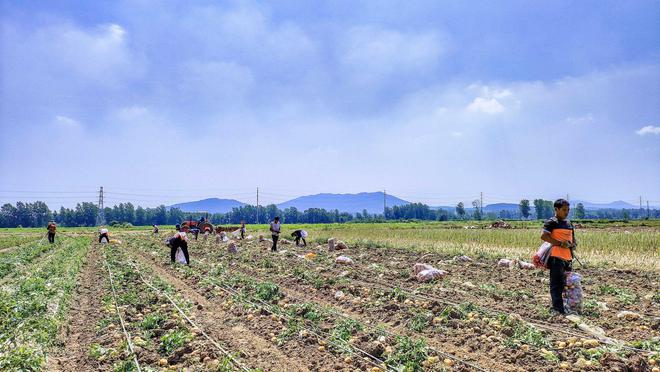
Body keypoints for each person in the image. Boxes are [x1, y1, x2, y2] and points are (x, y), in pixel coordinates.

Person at [541, 199, 577, 315]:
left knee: (567, 284)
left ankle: (568, 307)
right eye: (564, 210)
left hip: (568, 258)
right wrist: (561, 243)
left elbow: (572, 238)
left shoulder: (568, 223)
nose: (566, 212)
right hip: (556, 257)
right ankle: (557, 309)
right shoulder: (551, 222)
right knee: (556, 285)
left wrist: (573, 244)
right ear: (556, 209)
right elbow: (544, 236)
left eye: (568, 210)